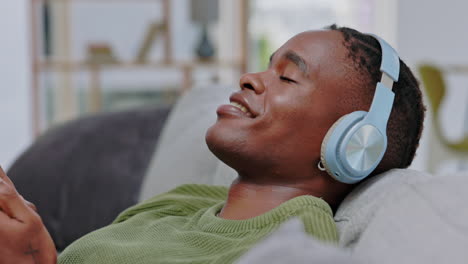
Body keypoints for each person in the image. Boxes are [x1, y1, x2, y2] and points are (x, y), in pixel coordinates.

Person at [0, 25, 425, 264]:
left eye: (287, 77)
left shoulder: (298, 235)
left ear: (353, 147)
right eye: (265, 66)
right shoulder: (182, 202)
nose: (249, 78)